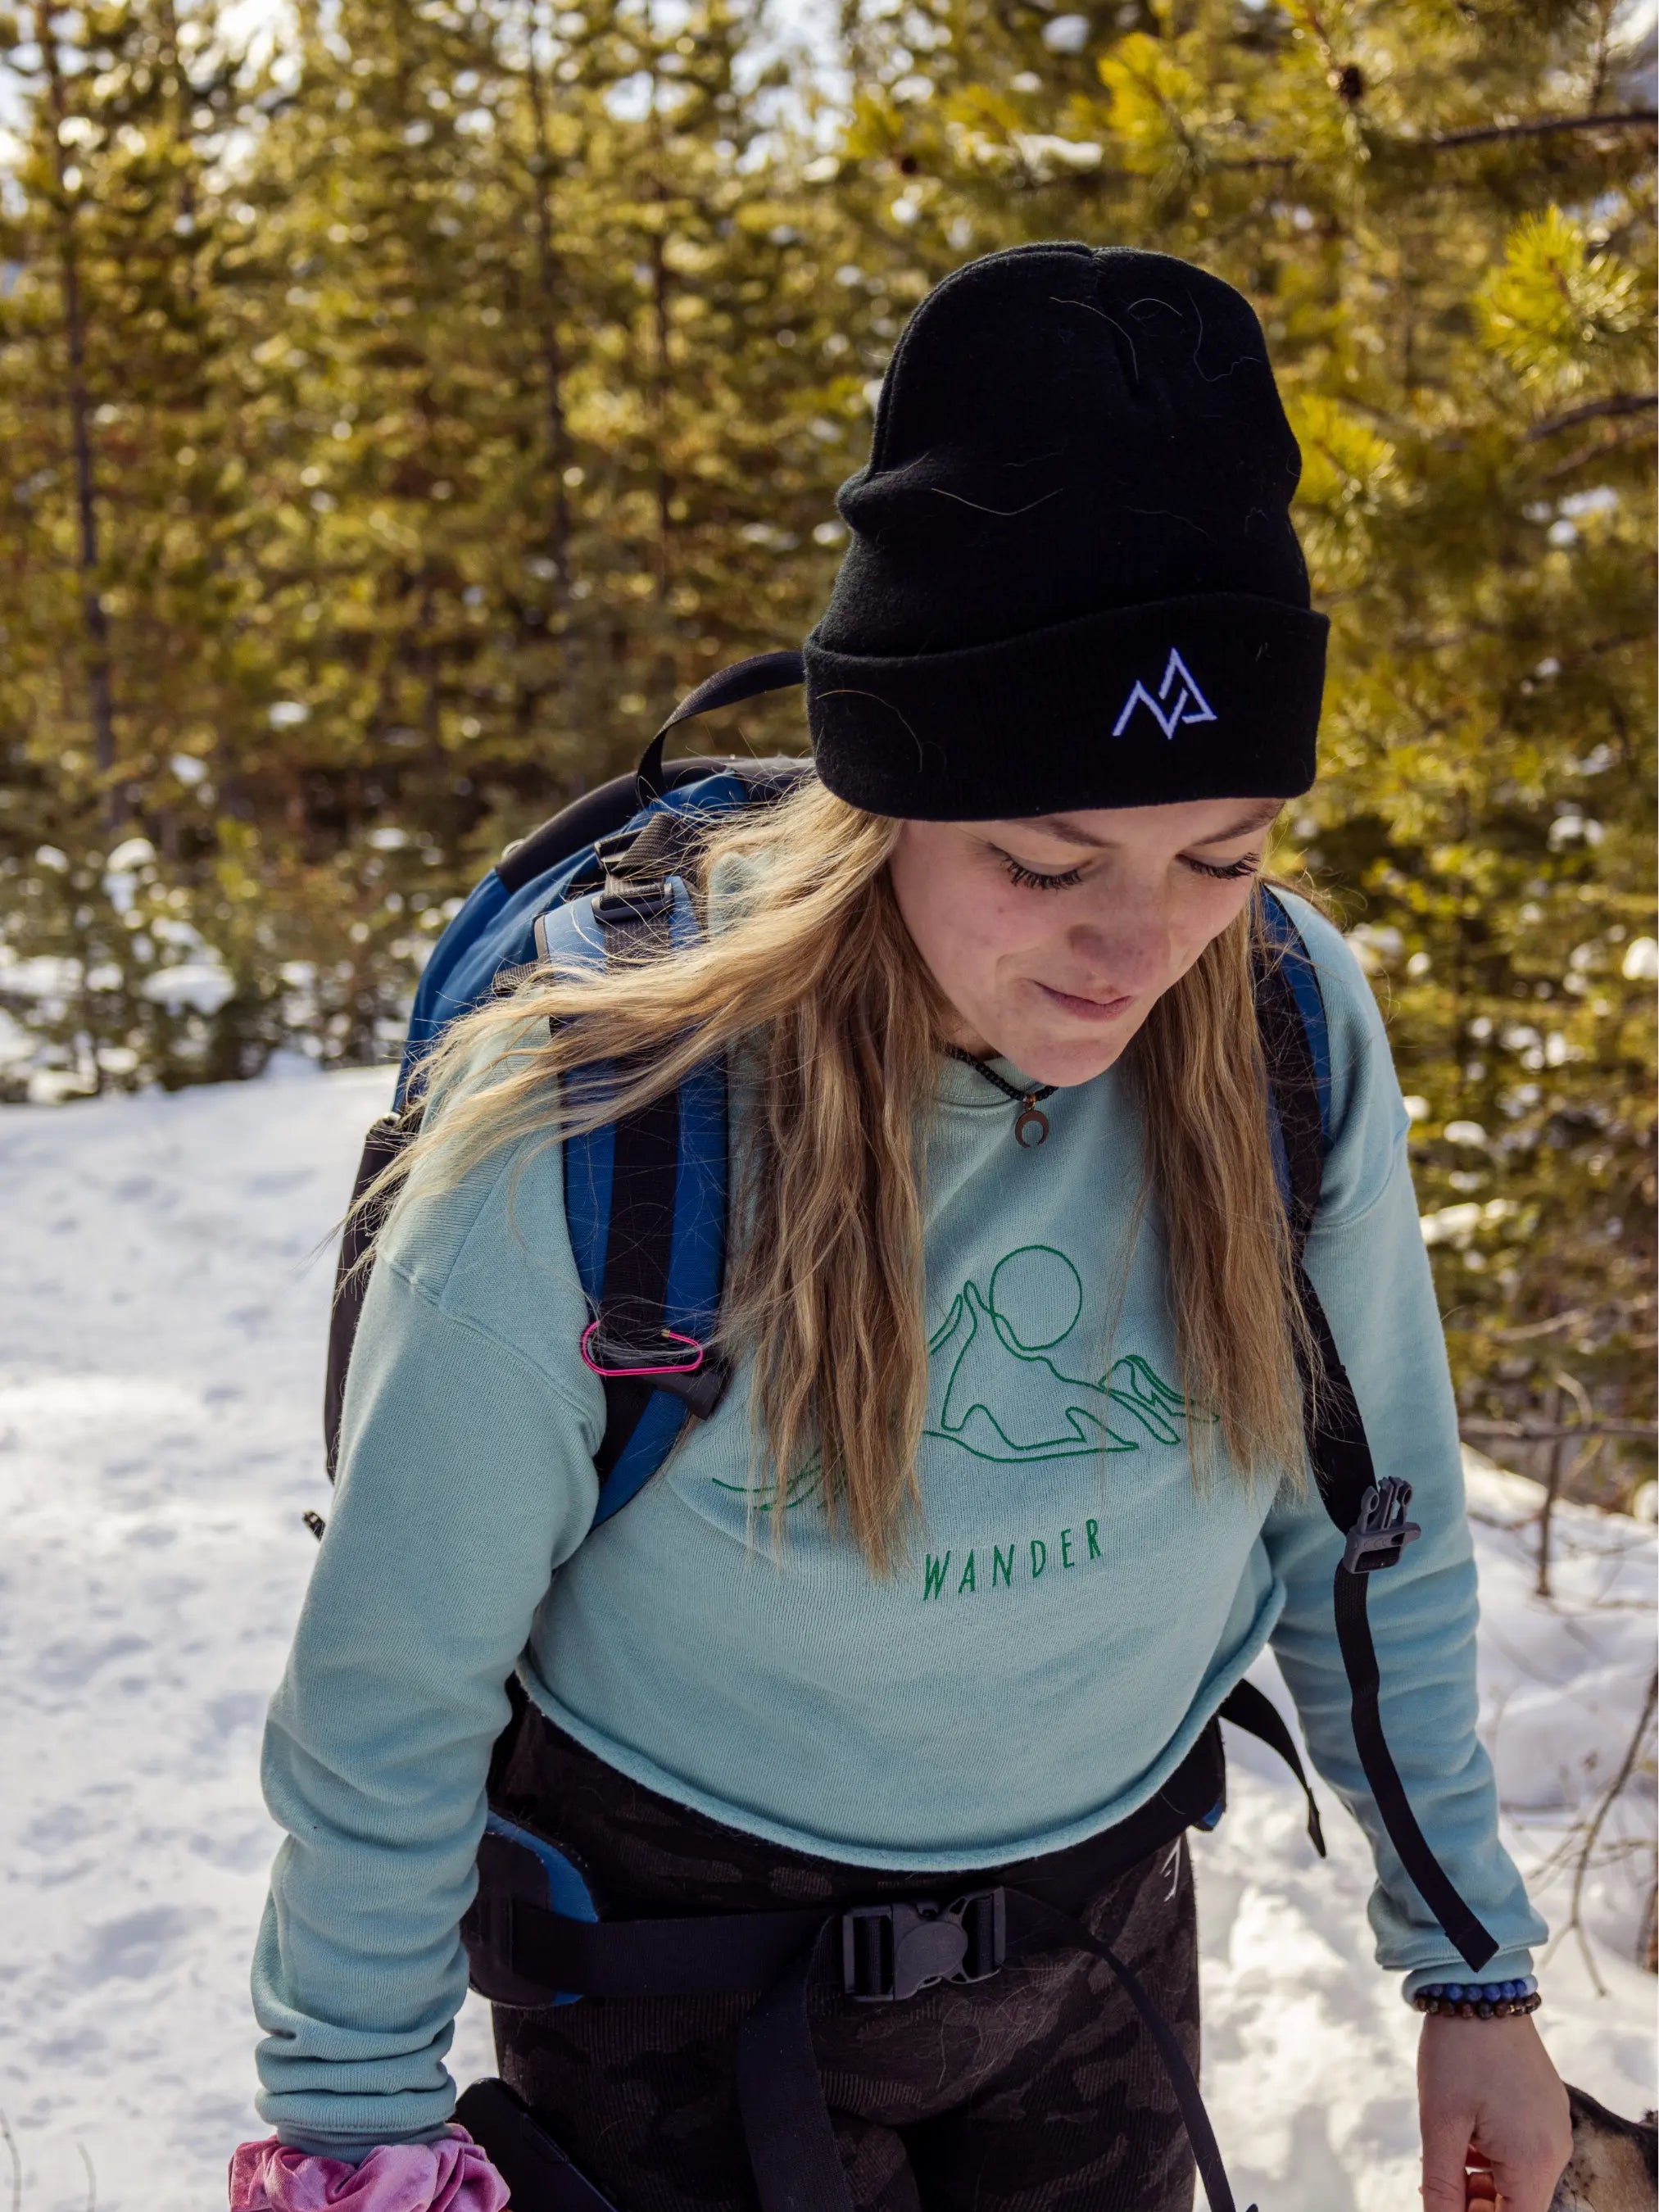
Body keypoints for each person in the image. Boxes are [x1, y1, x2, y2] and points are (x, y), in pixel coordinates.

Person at [232, 243, 1572, 2212]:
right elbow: (394, 1674)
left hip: (1097, 1948)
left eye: (1221, 853)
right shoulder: (619, 1106)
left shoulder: (1277, 1027)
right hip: (677, 1981)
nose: (1141, 950)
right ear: (886, 804)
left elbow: (1364, 1529)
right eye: (1045, 863)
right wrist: (350, 2136)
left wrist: (1473, 1973)